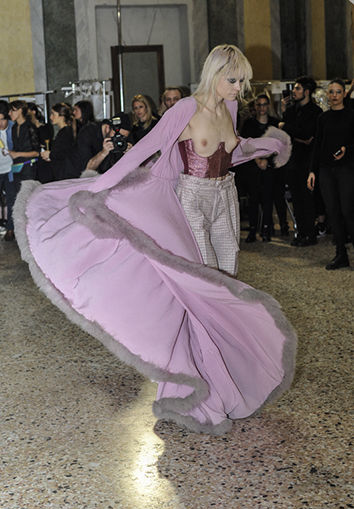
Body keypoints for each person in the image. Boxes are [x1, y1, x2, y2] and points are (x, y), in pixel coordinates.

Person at [14, 44, 296, 434]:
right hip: (191, 202)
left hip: (225, 202)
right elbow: (145, 150)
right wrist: (97, 188)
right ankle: (201, 391)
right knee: (201, 294)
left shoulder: (231, 109)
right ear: (215, 74)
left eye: (242, 81)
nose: (239, 88)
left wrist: (270, 144)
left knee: (225, 294)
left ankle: (224, 380)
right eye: (234, 80)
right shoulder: (185, 110)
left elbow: (231, 152)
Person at [308, 78, 354, 270]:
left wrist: (346, 149)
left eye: (338, 92)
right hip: (326, 170)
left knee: (348, 211)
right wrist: (312, 171)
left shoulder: (352, 115)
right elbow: (317, 146)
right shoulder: (323, 118)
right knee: (332, 212)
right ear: (327, 95)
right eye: (331, 92)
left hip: (346, 169)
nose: (334, 96)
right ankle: (341, 254)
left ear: (344, 94)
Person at [278, 76, 322, 247]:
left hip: (307, 163)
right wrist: (298, 136)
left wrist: (286, 127)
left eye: (297, 88)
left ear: (306, 92)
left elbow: (308, 135)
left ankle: (310, 235)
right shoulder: (290, 111)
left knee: (307, 199)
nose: (293, 91)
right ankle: (300, 232)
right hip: (292, 162)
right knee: (296, 200)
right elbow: (285, 137)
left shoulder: (316, 112)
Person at [240, 93, 288, 243]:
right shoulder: (248, 124)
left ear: (268, 106)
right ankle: (253, 229)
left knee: (268, 198)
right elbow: (245, 144)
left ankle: (266, 229)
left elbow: (279, 145)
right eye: (259, 105)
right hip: (253, 165)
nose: (262, 107)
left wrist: (267, 161)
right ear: (255, 106)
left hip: (270, 166)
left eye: (264, 104)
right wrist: (257, 159)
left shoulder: (275, 123)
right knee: (253, 198)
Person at [7, 100, 40, 241]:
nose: (9, 113)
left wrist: (17, 154)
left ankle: (31, 231)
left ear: (20, 110)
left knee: (28, 199)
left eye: (12, 110)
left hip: (28, 166)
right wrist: (12, 152)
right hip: (17, 166)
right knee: (17, 199)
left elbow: (37, 152)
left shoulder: (30, 127)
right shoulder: (14, 128)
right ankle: (20, 231)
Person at [65, 113, 133, 177]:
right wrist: (103, 153)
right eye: (117, 136)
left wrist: (131, 154)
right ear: (107, 128)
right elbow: (86, 170)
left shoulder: (123, 138)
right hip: (73, 175)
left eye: (123, 137)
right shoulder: (87, 133)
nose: (119, 139)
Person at [40, 103, 76, 181]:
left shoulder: (65, 133)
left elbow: (65, 153)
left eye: (53, 114)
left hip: (65, 173)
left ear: (61, 116)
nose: (51, 117)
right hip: (61, 172)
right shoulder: (63, 132)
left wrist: (50, 154)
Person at [0, 100, 16, 241]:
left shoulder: (13, 128)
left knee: (12, 198)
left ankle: (10, 228)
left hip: (11, 169)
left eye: (2, 119)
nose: (0, 123)